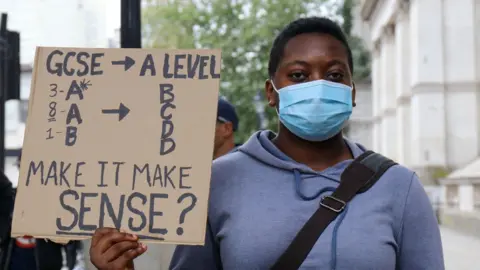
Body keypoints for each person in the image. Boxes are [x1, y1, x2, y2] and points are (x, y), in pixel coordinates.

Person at [89, 17, 444, 270]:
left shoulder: (400, 188)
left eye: (334, 75)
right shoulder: (216, 182)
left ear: (351, 93)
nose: (317, 86)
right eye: (299, 75)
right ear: (271, 93)